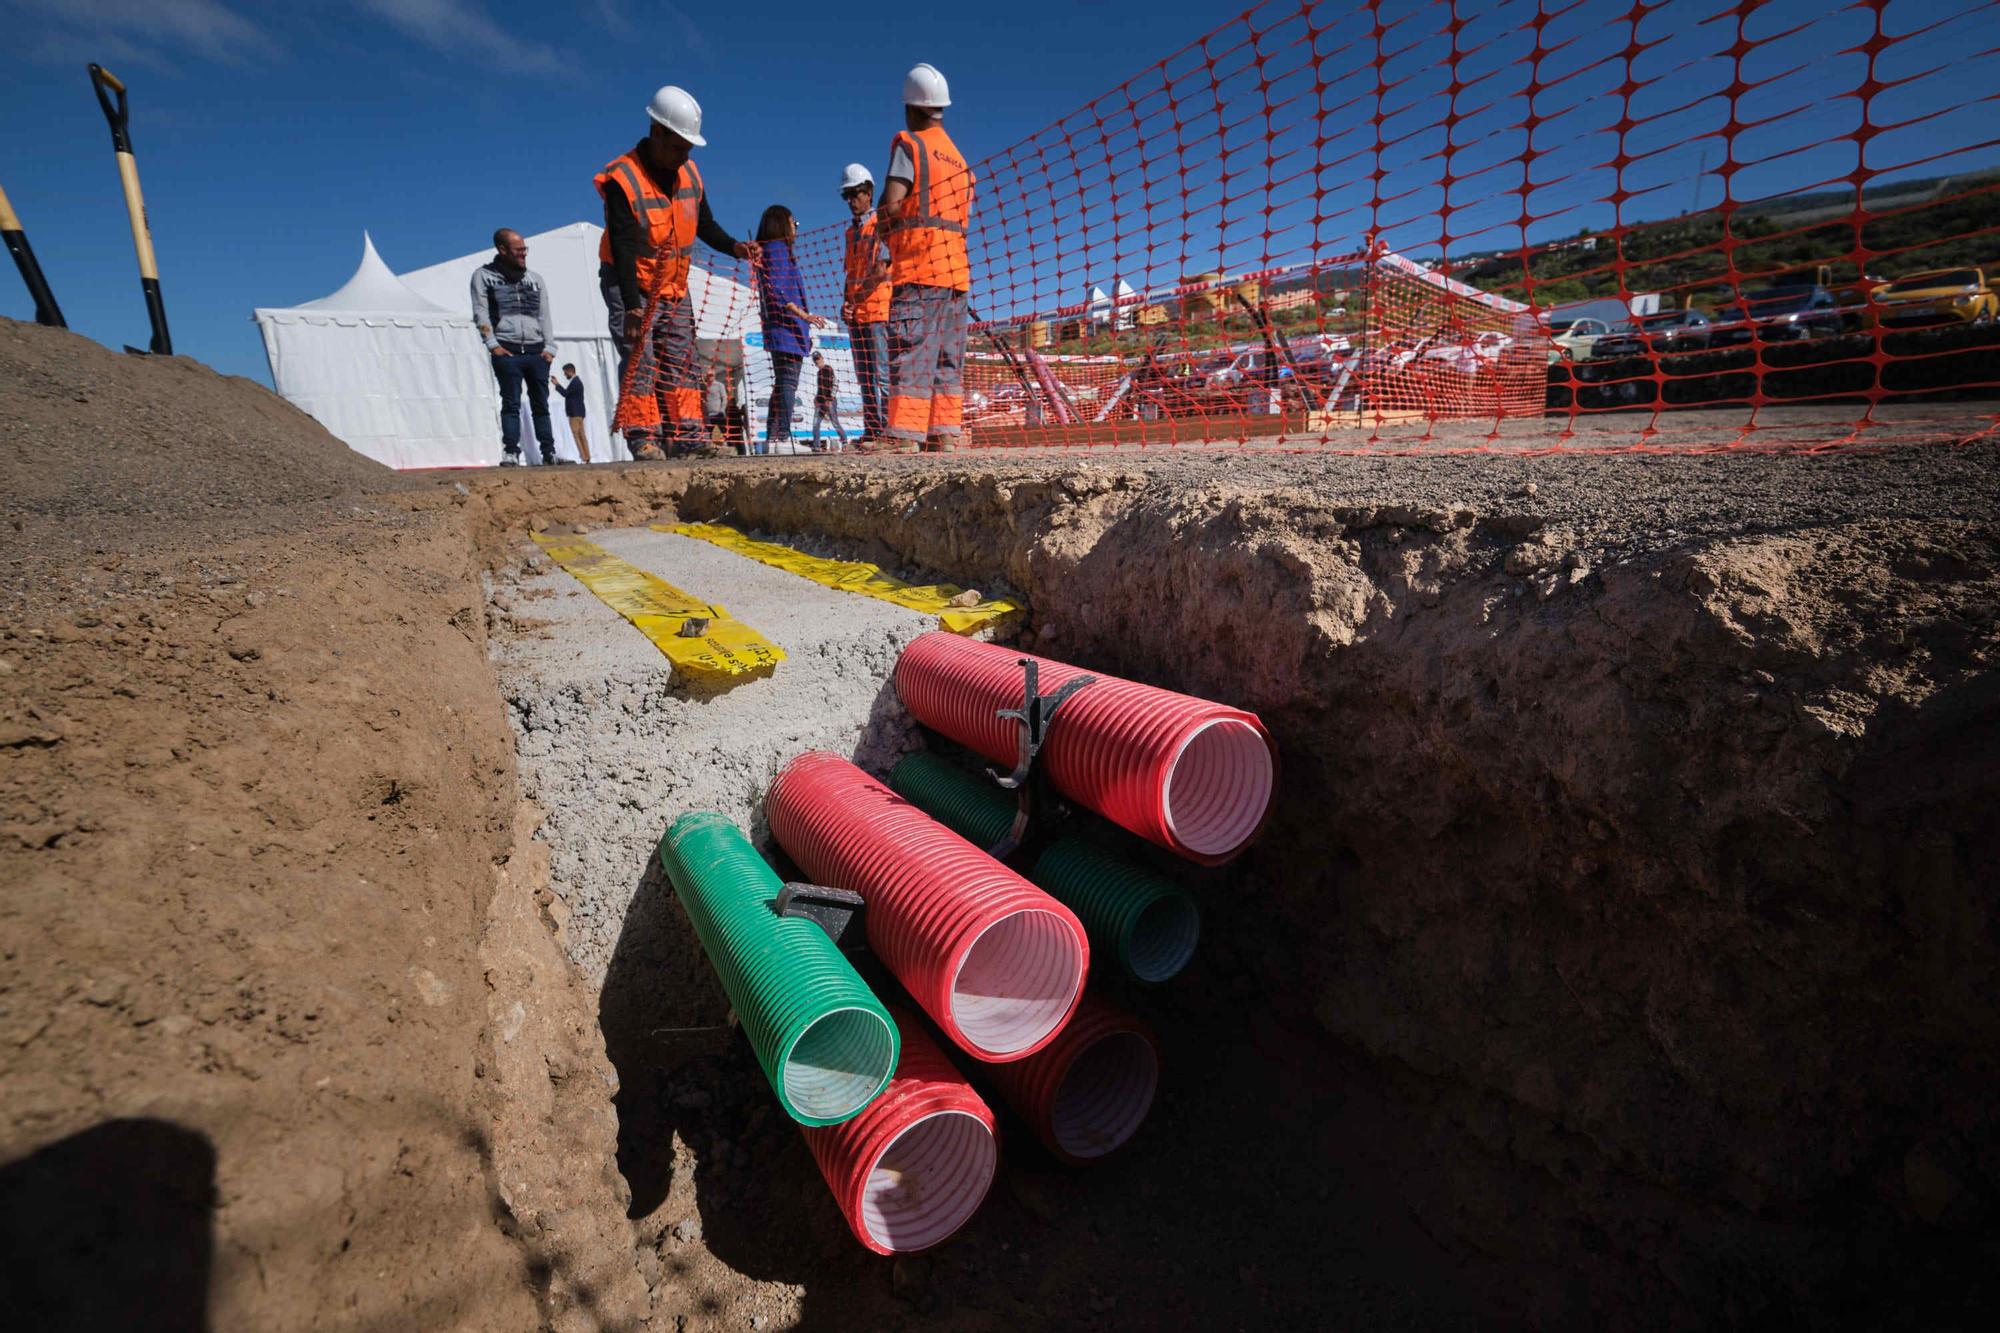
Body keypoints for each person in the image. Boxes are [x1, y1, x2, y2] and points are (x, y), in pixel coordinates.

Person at [596, 84, 757, 460]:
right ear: (657, 132)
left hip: (673, 284)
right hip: (629, 284)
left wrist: (734, 247)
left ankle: (689, 438)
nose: (684, 156)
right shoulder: (624, 177)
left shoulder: (690, 175)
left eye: (688, 148)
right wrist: (633, 307)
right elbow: (622, 244)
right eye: (678, 147)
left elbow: (705, 223)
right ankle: (644, 438)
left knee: (683, 360)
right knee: (641, 358)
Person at [872, 63, 975, 454]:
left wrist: (882, 221)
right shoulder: (961, 162)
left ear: (911, 108)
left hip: (919, 269)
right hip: (956, 275)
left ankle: (903, 436)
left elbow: (895, 205)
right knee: (948, 361)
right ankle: (945, 433)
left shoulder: (910, 144)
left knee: (912, 354)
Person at [471, 229, 563, 466]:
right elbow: (480, 312)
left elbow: (545, 314)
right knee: (511, 402)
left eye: (525, 250)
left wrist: (550, 347)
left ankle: (549, 452)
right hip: (507, 349)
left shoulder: (535, 279)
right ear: (502, 250)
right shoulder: (483, 276)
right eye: (518, 250)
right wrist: (492, 344)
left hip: (536, 350)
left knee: (541, 404)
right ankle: (511, 452)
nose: (523, 254)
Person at [751, 204, 827, 454]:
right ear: (781, 224)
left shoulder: (770, 252)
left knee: (783, 382)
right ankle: (781, 437)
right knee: (788, 382)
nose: (796, 229)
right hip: (786, 331)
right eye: (793, 224)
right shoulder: (778, 250)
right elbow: (779, 292)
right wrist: (805, 316)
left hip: (781, 330)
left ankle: (774, 438)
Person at [838, 163, 890, 442]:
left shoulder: (881, 224)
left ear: (869, 192)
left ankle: (886, 430)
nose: (851, 201)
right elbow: (850, 275)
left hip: (878, 311)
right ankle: (873, 430)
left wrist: (856, 297)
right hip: (857, 315)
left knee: (881, 375)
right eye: (846, 195)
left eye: (855, 193)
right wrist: (846, 304)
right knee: (865, 377)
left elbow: (882, 270)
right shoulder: (851, 233)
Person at [810, 350, 846, 451]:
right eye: (815, 360)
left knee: (835, 423)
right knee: (815, 424)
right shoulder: (818, 373)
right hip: (820, 402)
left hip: (829, 401)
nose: (817, 361)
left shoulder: (828, 369)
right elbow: (821, 388)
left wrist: (830, 399)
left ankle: (845, 442)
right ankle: (816, 446)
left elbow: (834, 385)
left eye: (818, 359)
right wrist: (816, 398)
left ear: (822, 358)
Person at [554, 362, 590, 462]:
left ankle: (584, 456)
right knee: (581, 434)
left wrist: (557, 384)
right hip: (579, 412)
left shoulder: (575, 382)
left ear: (570, 371)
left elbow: (565, 393)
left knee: (577, 434)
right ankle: (586, 456)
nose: (565, 375)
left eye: (565, 373)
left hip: (575, 412)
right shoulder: (577, 382)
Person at [702, 367, 728, 446]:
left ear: (714, 375)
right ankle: (713, 451)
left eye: (711, 375)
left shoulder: (720, 385)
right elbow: (702, 399)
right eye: (708, 375)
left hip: (718, 414)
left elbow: (724, 399)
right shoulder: (704, 386)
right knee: (710, 434)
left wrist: (722, 410)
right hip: (708, 415)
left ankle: (725, 449)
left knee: (721, 433)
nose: (710, 377)